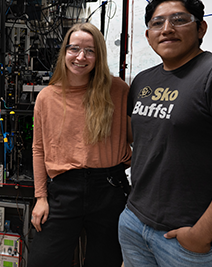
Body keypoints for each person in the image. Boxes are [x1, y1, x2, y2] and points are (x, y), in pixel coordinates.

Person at [118, 0, 212, 267]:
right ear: (148, 36)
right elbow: (141, 138)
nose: (167, 29)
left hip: (190, 241)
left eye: (179, 20)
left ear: (200, 28)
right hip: (136, 224)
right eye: (157, 23)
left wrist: (200, 234)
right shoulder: (143, 80)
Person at [29, 22, 132, 267]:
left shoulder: (117, 89)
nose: (81, 57)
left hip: (109, 188)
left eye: (90, 51)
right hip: (64, 190)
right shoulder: (47, 97)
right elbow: (38, 149)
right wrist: (41, 197)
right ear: (65, 51)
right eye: (74, 49)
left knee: (104, 261)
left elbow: (136, 136)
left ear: (99, 55)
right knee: (43, 261)